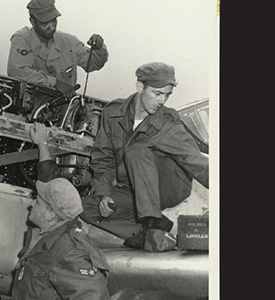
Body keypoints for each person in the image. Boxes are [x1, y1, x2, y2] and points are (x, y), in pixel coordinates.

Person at [80, 62, 209, 252]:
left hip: (169, 186)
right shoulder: (112, 113)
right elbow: (103, 158)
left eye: (167, 95)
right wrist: (104, 193)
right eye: (157, 94)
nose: (162, 101)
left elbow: (196, 162)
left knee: (137, 151)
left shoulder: (168, 122)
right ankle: (146, 232)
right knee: (87, 206)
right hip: (133, 188)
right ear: (140, 86)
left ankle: (153, 224)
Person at [10, 122, 112, 300]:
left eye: (37, 202)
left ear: (50, 214)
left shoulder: (70, 251)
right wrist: (42, 144)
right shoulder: (52, 230)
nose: (31, 205)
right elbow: (51, 181)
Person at [7, 0, 108, 97]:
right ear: (32, 21)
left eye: (54, 21)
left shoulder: (69, 42)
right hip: (31, 108)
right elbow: (17, 71)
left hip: (64, 108)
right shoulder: (23, 39)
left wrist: (99, 48)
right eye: (45, 23)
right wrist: (55, 83)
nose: (51, 27)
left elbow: (94, 63)